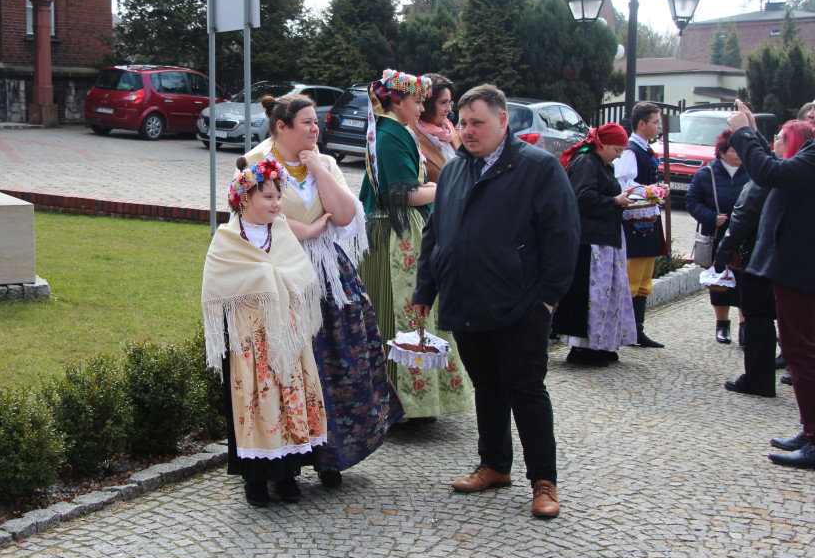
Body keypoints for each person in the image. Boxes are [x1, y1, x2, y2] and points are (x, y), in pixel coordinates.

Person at [412, 84, 579, 518]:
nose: (467, 131)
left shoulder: (538, 168)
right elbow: (436, 235)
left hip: (521, 303)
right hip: (466, 299)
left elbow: (563, 236)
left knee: (525, 389)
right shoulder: (452, 170)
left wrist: (547, 299)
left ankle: (544, 481)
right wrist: (425, 290)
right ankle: (493, 465)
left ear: (503, 121)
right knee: (486, 386)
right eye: (462, 122)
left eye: (477, 123)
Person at [244, 94, 403, 489]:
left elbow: (346, 214)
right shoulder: (256, 162)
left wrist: (316, 165)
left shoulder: (324, 162)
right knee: (292, 369)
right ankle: (288, 465)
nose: (316, 129)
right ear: (282, 126)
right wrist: (313, 229)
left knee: (339, 362)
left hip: (330, 275)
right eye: (307, 123)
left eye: (317, 123)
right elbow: (260, 218)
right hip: (281, 273)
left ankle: (332, 458)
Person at [202, 157, 328, 506]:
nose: (276, 204)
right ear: (244, 199)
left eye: (278, 197)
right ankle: (255, 479)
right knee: (257, 401)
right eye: (268, 197)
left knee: (289, 395)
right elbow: (217, 287)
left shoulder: (282, 233)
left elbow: (298, 277)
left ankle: (287, 473)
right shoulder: (227, 240)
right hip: (250, 340)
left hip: (286, 337)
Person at [358, 69, 474, 423]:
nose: (422, 105)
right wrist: (451, 187)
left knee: (409, 312)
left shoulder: (395, 129)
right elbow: (400, 194)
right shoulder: (391, 132)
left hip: (398, 230)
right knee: (405, 311)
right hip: (396, 234)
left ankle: (412, 401)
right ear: (397, 99)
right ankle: (406, 402)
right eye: (417, 99)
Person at [728, 103, 815, 469]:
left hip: (801, 267)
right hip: (796, 265)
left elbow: (769, 171)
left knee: (803, 352)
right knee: (799, 351)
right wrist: (752, 130)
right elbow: (778, 167)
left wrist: (743, 133)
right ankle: (810, 430)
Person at [713, 124, 813, 397]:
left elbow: (744, 215)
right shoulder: (794, 172)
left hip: (763, 260)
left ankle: (759, 379)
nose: (772, 144)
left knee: (760, 319)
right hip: (779, 260)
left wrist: (723, 252)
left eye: (779, 139)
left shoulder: (782, 174)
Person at [552, 123, 637, 366]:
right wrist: (615, 200)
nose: (618, 155)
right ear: (603, 144)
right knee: (588, 296)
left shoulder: (601, 163)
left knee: (604, 296)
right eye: (617, 150)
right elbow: (580, 197)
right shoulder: (586, 162)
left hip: (602, 238)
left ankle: (600, 345)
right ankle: (581, 349)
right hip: (589, 241)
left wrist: (621, 198)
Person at [685, 130, 750, 344]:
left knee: (745, 284)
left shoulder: (751, 172)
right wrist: (712, 217)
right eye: (733, 150)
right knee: (720, 281)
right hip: (717, 235)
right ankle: (722, 325)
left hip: (745, 235)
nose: (738, 154)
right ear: (721, 152)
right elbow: (692, 201)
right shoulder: (706, 174)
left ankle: (744, 327)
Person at [613, 102, 667, 348]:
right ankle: (624, 330)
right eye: (655, 122)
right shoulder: (631, 151)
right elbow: (622, 185)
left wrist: (657, 191)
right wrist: (650, 192)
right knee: (632, 278)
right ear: (642, 124)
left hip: (649, 219)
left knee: (645, 278)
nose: (659, 126)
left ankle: (637, 330)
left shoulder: (646, 150)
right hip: (635, 222)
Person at [412, 73, 461, 183]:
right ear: (427, 103)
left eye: (450, 103)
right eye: (444, 103)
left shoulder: (458, 135)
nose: (449, 109)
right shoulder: (410, 138)